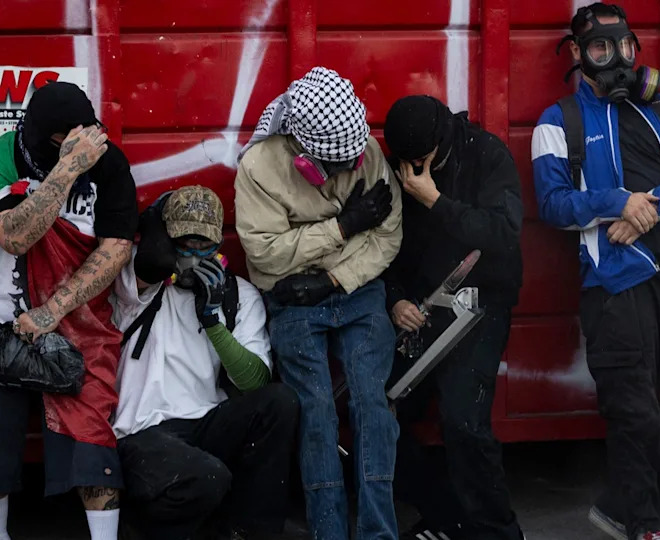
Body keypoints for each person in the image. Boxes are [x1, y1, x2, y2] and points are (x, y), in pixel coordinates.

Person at [531, 4, 660, 540]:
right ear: (576, 54)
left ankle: (623, 504)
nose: (616, 58)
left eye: (625, 46)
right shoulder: (556, 121)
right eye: (599, 48)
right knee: (636, 415)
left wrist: (649, 208)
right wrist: (618, 201)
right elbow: (553, 202)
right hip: (615, 284)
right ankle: (645, 525)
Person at [0, 82, 137, 540]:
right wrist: (70, 167)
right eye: (63, 143)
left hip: (75, 322)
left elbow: (115, 249)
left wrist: (53, 311)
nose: (80, 147)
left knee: (92, 441)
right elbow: (14, 235)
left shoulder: (110, 161)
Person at [234, 66, 403, 540]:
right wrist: (345, 227)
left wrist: (331, 277)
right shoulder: (260, 167)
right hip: (291, 297)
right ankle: (328, 532)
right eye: (336, 166)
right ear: (302, 152)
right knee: (315, 412)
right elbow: (264, 255)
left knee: (372, 403)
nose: (351, 170)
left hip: (352, 288)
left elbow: (388, 236)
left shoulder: (364, 152)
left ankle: (378, 532)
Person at [111, 185, 299, 540]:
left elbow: (256, 382)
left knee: (280, 402)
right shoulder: (137, 288)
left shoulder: (237, 294)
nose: (194, 258)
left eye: (205, 248)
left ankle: (252, 531)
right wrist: (158, 251)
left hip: (206, 421)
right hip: (142, 432)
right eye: (185, 246)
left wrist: (213, 322)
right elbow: (137, 262)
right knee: (207, 477)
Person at [382, 95, 524, 540]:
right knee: (379, 416)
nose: (410, 171)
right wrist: (394, 299)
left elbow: (503, 235)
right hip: (419, 308)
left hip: (481, 305)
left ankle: (497, 533)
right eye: (402, 162)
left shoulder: (486, 154)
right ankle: (446, 516)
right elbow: (379, 247)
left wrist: (435, 200)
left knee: (464, 420)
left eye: (418, 162)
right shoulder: (392, 169)